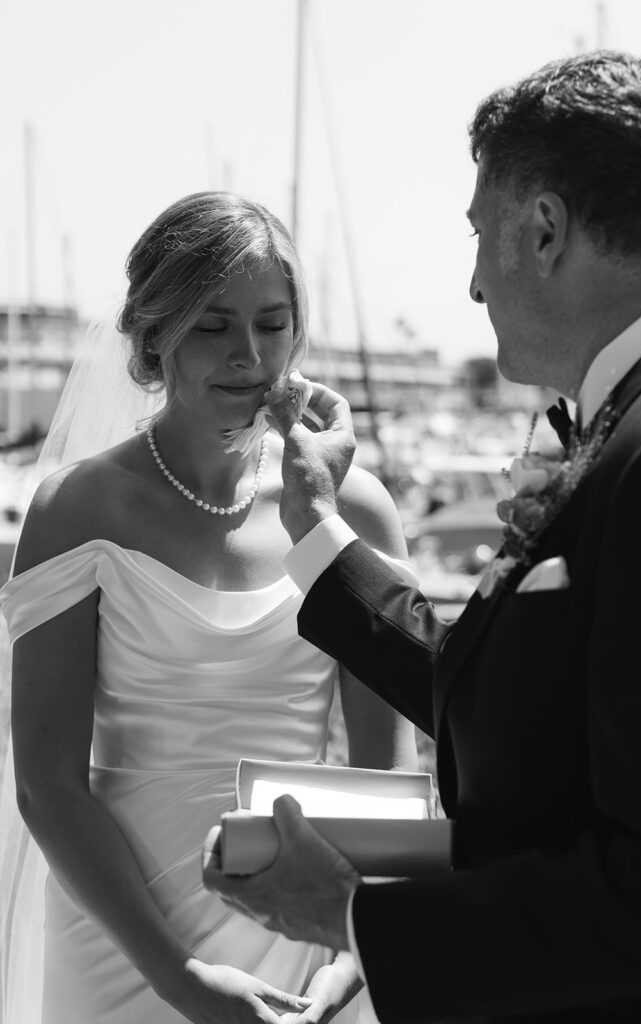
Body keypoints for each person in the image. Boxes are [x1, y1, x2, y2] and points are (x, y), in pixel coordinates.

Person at [202, 50, 641, 1023]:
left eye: (478, 235)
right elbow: (516, 697)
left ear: (542, 230)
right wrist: (316, 529)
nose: (469, 285)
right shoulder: (633, 421)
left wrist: (352, 918)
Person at [0, 190, 418, 1024]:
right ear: (155, 338)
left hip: (307, 935)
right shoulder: (76, 510)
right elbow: (47, 783)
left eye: (271, 323)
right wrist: (180, 976)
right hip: (123, 940)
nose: (249, 354)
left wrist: (356, 954)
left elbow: (387, 774)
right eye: (212, 325)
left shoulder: (354, 508)